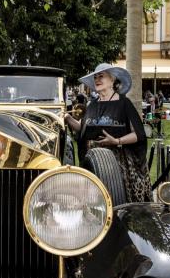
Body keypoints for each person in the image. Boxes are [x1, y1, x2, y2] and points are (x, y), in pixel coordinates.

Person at [65, 63, 152, 202]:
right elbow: (82, 128)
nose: (97, 80)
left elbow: (139, 134)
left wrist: (117, 141)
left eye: (101, 76)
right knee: (93, 203)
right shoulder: (91, 104)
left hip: (117, 165)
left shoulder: (124, 103)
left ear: (112, 80)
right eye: (95, 77)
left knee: (114, 202)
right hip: (92, 162)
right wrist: (67, 118)